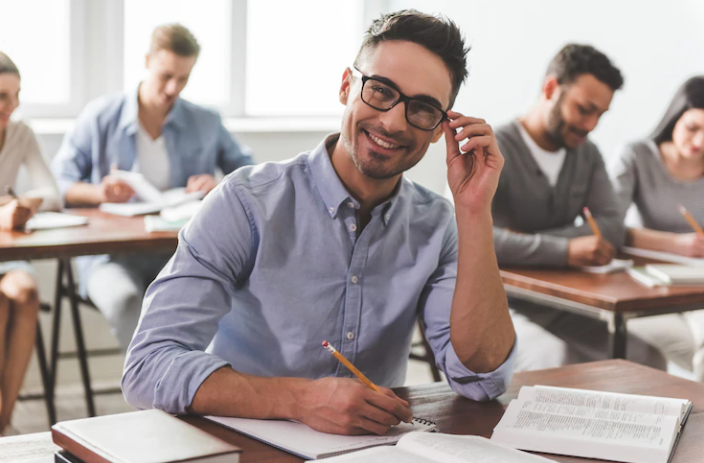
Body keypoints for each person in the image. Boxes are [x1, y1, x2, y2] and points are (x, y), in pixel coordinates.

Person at [122, 10, 516, 436]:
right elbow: (148, 366)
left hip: (371, 448)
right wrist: (299, 400)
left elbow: (481, 379)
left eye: (422, 109)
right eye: (380, 91)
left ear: (440, 128)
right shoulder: (246, 202)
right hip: (247, 441)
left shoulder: (437, 225)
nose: (392, 122)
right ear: (347, 86)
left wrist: (474, 210)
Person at [52, 24, 253, 349]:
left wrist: (218, 184)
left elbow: (250, 175)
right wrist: (99, 193)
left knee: (218, 300)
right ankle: (158, 387)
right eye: (165, 76)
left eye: (183, 79)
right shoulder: (101, 117)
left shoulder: (205, 121)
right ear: (147, 61)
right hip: (109, 256)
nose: (173, 88)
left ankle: (192, 387)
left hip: (181, 251)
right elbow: (58, 184)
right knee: (125, 301)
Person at [491, 44, 666, 371]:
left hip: (560, 304)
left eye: (600, 114)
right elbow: (475, 240)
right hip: (497, 302)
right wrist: (565, 250)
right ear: (550, 89)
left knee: (650, 359)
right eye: (584, 109)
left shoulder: (587, 154)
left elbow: (612, 225)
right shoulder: (493, 148)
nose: (591, 125)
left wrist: (525, 240)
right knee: (555, 360)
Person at [611, 76, 704, 380]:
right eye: (693, 128)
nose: (700, 142)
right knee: (693, 351)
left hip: (698, 284)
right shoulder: (637, 155)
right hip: (648, 281)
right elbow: (608, 228)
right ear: (674, 118)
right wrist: (678, 245)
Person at [0, 52, 61, 434]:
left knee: (26, 293)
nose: (13, 105)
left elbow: (53, 193)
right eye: (3, 96)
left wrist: (26, 203)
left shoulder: (21, 132)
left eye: (16, 94)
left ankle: (4, 422)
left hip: (8, 254)